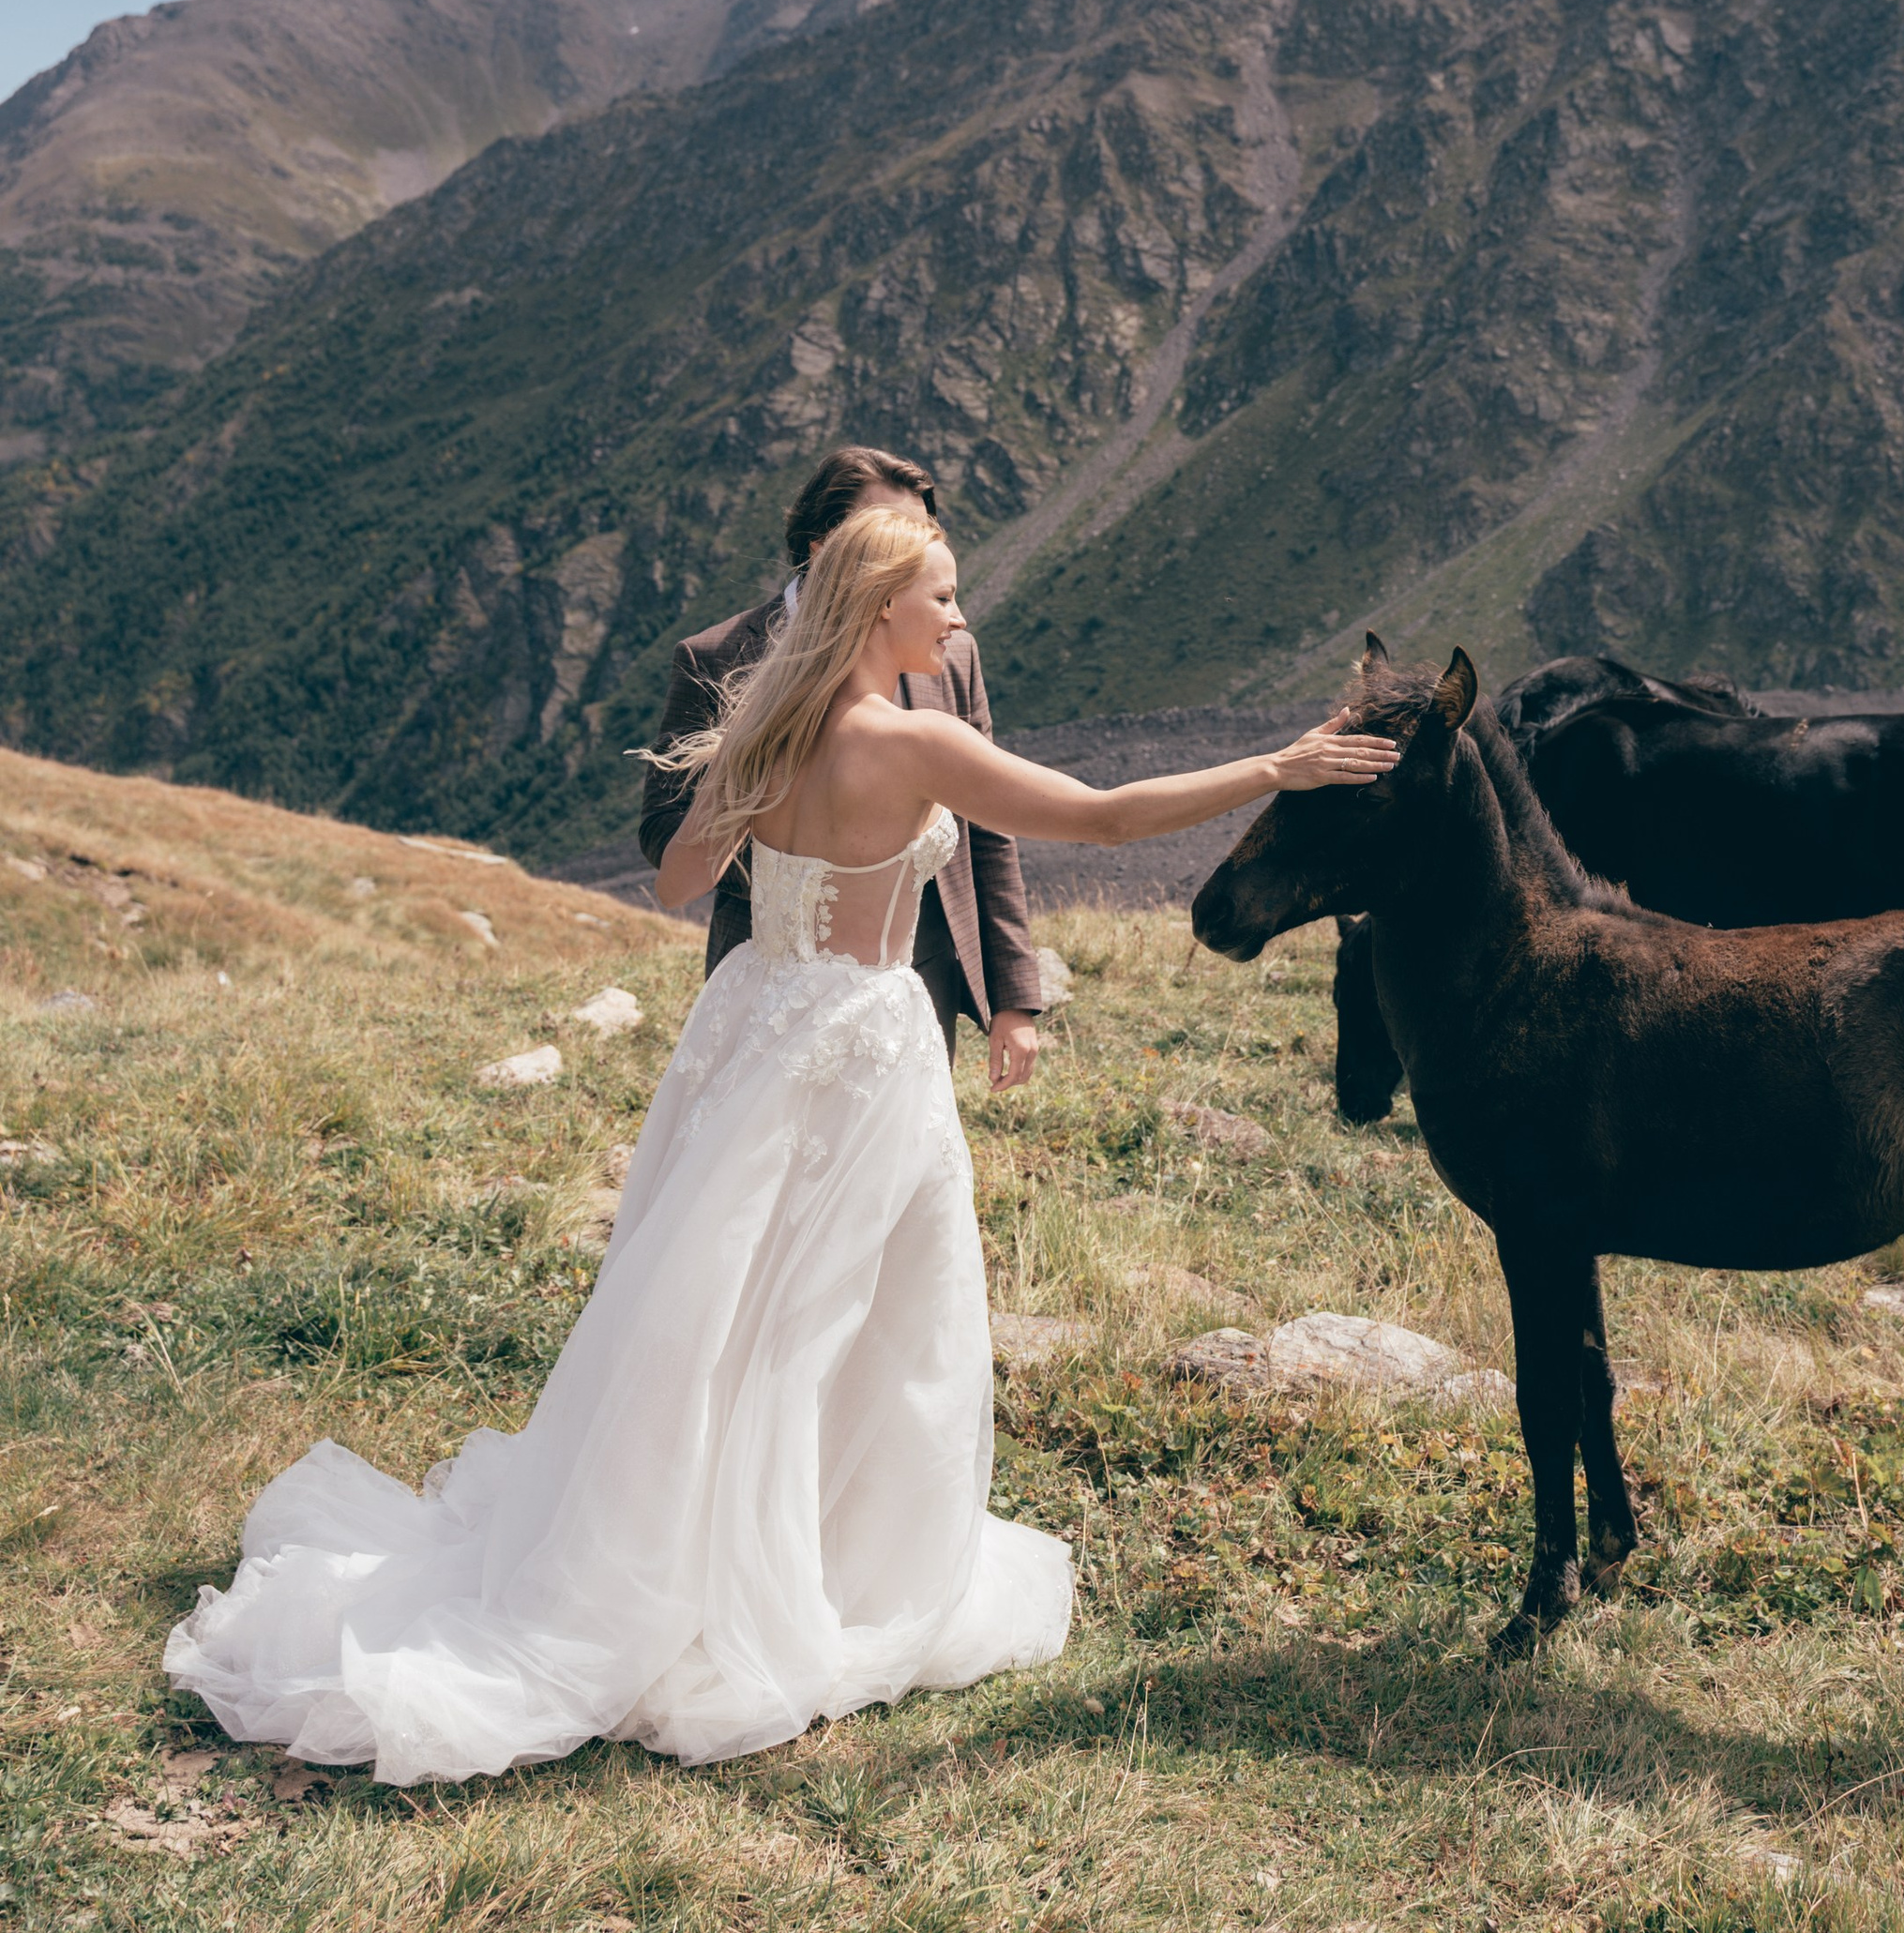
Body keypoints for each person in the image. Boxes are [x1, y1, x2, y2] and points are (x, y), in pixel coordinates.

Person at [163, 507, 1397, 1786]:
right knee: (857, 1320)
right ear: (879, 615)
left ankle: (683, 1540)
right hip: (857, 1045)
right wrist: (1276, 768)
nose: (960, 622)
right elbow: (1106, 819)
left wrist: (760, 801)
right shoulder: (912, 740)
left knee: (709, 1306)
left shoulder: (772, 724)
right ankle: (808, 1568)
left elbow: (680, 882)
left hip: (750, 1019)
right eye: (945, 601)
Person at [639, 442, 1045, 1091]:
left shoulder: (954, 651)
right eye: (887, 532)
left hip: (923, 968)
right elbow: (664, 827)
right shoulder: (717, 655)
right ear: (824, 549)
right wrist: (793, 837)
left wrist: (1015, 996)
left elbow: (990, 827)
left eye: (920, 532)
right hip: (773, 975)